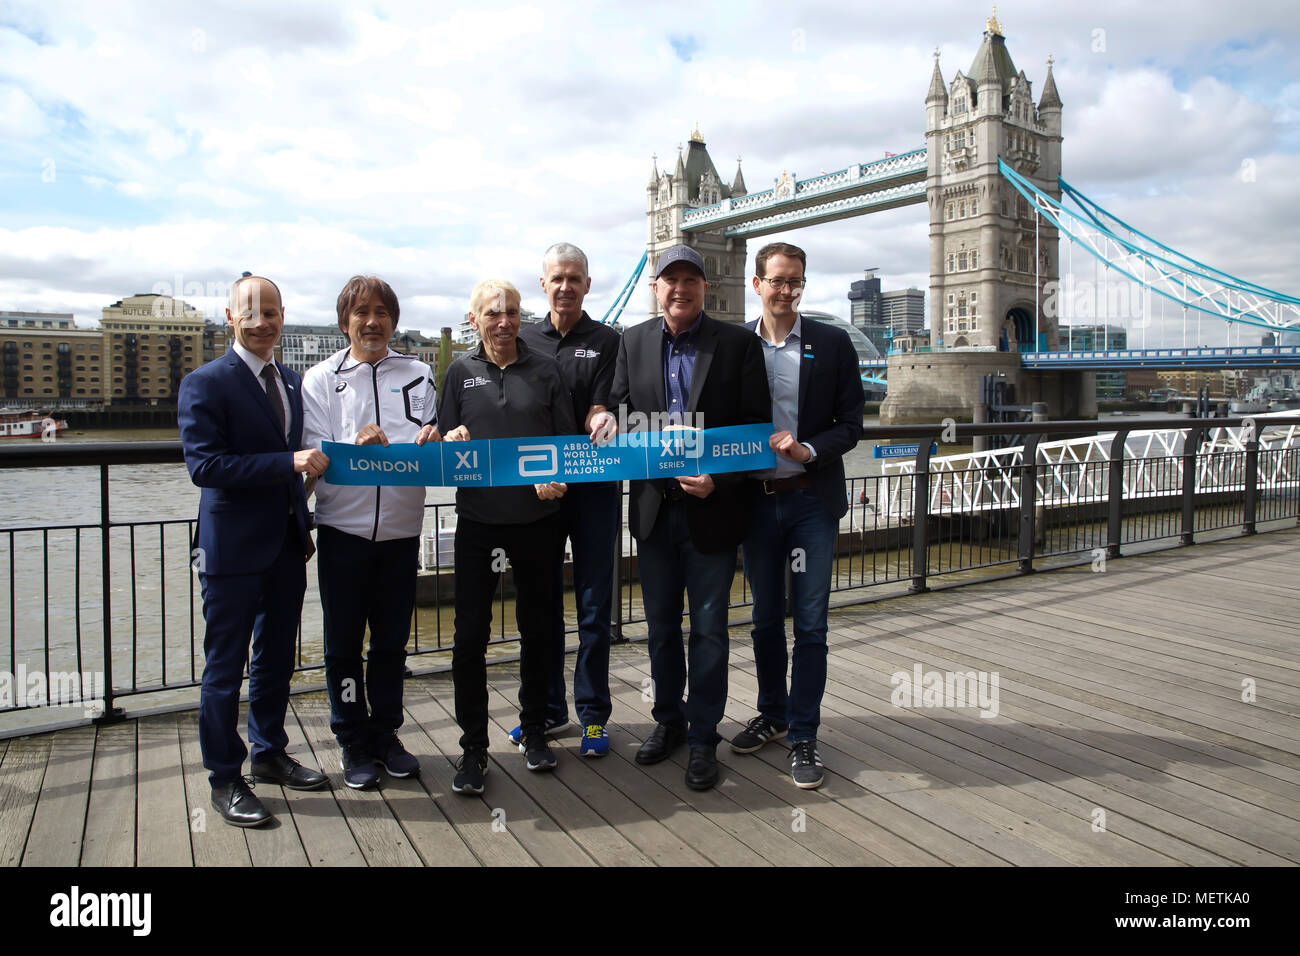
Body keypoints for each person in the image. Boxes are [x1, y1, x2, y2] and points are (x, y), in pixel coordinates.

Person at [596, 244, 770, 791]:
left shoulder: (739, 343)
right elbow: (620, 410)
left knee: (711, 632)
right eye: (670, 280)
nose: (680, 289)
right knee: (661, 630)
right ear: (656, 287)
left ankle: (702, 739)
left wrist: (721, 477)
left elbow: (754, 429)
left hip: (712, 510)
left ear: (704, 287)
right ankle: (667, 722)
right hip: (653, 511)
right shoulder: (633, 340)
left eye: (690, 280)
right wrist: (605, 418)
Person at [178, 273, 330, 828]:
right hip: (232, 552)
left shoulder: (290, 382)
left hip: (287, 545)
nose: (262, 322)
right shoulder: (205, 383)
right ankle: (225, 777)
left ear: (283, 316)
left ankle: (268, 753)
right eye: (251, 313)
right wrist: (287, 464)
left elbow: (300, 457)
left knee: (273, 661)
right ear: (230, 317)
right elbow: (206, 468)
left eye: (271, 312)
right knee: (223, 669)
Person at [301, 276, 442, 790]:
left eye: (382, 311)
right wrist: (351, 444)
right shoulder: (319, 379)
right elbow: (315, 451)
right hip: (343, 531)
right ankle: (350, 739)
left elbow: (430, 445)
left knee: (391, 644)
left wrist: (436, 439)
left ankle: (386, 734)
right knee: (342, 646)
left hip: (402, 532)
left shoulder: (420, 372)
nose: (372, 321)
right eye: (361, 312)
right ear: (345, 321)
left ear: (394, 321)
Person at [437, 279, 577, 795]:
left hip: (538, 521)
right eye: (493, 313)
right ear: (475, 319)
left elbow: (566, 444)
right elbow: (446, 448)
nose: (504, 321)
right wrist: (450, 440)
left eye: (513, 312)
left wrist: (557, 475)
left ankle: (535, 729)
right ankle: (473, 748)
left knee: (539, 631)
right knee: (468, 638)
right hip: (477, 521)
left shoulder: (547, 369)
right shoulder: (458, 373)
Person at [732, 242, 863, 789]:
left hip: (811, 499)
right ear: (757, 283)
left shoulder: (831, 343)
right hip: (756, 501)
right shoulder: (735, 345)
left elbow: (852, 422)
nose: (787, 291)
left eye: (796, 282)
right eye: (778, 281)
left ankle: (805, 732)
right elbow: (717, 419)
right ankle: (773, 713)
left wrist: (809, 448)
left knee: (810, 623)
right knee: (764, 618)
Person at [514, 243, 621, 758]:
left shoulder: (608, 341)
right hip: (539, 491)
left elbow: (603, 401)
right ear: (543, 284)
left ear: (587, 284)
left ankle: (594, 714)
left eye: (574, 278)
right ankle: (547, 710)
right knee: (540, 606)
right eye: (556, 278)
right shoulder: (521, 338)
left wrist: (601, 415)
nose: (565, 287)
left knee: (595, 604)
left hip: (595, 488)